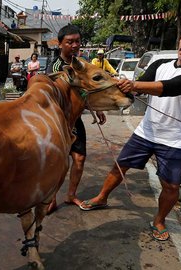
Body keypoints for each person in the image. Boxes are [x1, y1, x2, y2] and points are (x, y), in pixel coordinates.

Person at [79, 20, 181, 242]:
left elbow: (172, 87)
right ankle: (102, 197)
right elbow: (138, 90)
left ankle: (159, 220)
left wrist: (133, 85)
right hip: (147, 131)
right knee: (120, 165)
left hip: (175, 138)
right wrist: (105, 99)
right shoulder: (161, 64)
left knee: (171, 185)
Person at [45, 24, 106, 214]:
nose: (74, 45)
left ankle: (71, 195)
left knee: (79, 159)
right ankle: (51, 198)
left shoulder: (81, 64)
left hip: (75, 120)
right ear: (60, 44)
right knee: (57, 162)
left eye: (77, 41)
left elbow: (85, 90)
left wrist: (95, 107)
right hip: (57, 121)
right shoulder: (55, 67)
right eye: (69, 42)